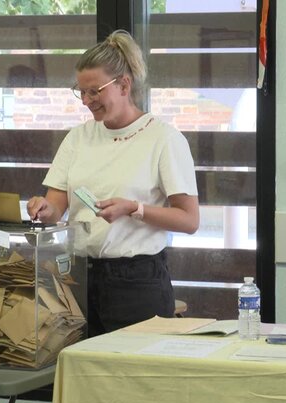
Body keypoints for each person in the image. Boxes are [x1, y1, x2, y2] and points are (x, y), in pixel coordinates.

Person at [27, 30, 199, 336]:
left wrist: (135, 209)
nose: (87, 101)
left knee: (133, 377)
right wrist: (43, 209)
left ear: (124, 84)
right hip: (78, 275)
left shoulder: (163, 138)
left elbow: (189, 220)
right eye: (80, 92)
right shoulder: (78, 137)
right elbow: (56, 207)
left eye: (95, 91)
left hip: (138, 280)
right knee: (83, 374)